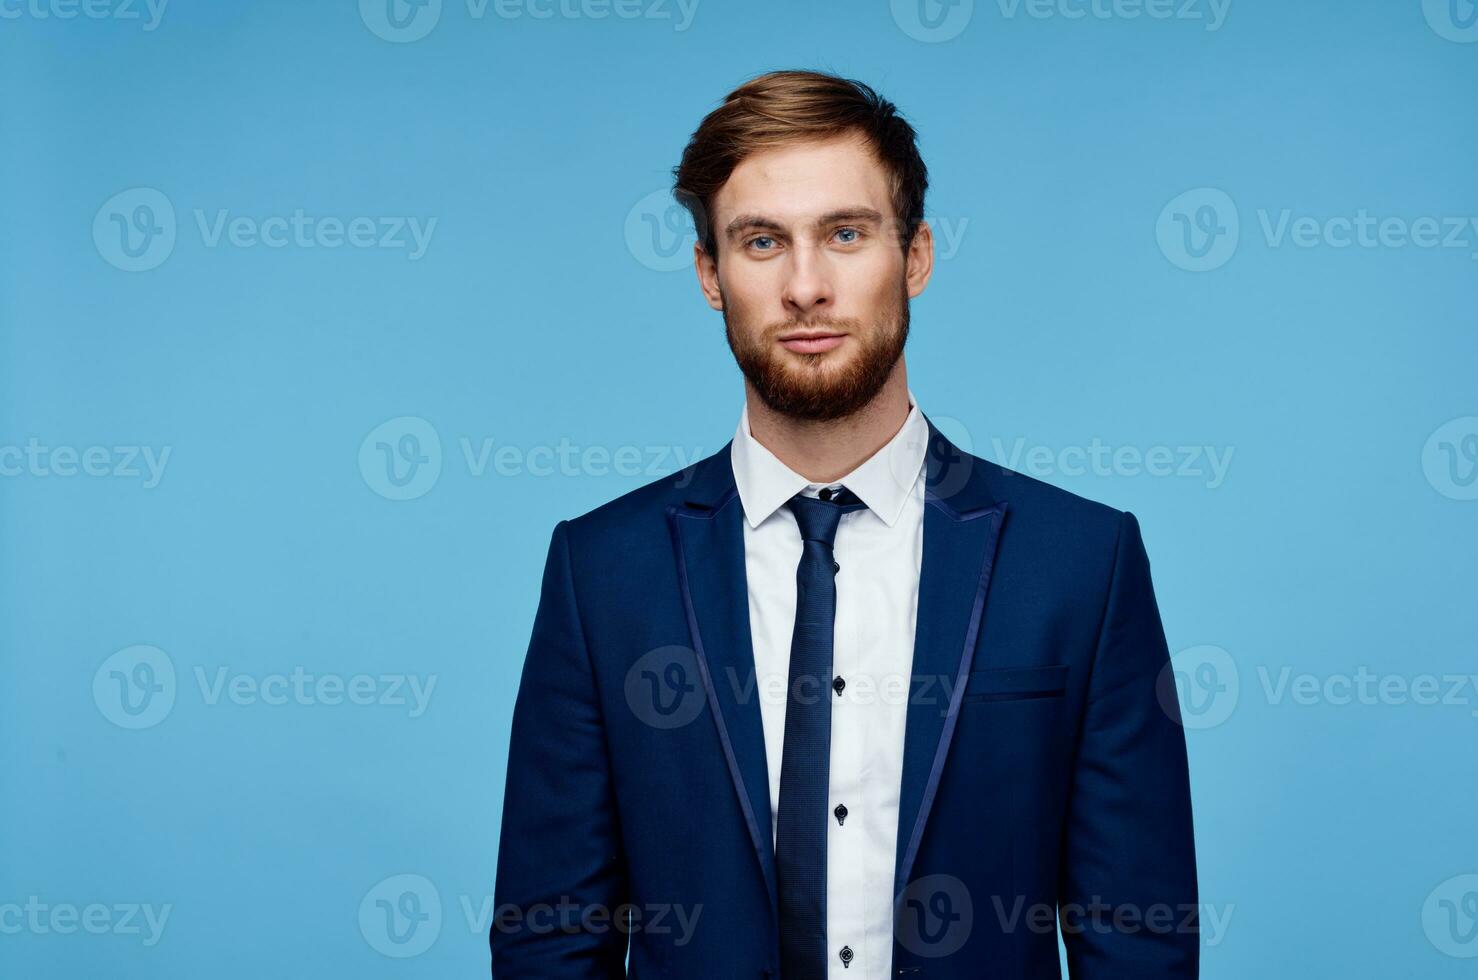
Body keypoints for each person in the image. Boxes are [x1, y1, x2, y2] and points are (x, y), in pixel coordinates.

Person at [491, 68, 1198, 979]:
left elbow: (1136, 939)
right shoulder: (601, 573)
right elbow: (552, 937)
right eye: (760, 242)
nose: (805, 286)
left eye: (846, 233)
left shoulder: (1082, 564)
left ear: (917, 256)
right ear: (710, 273)